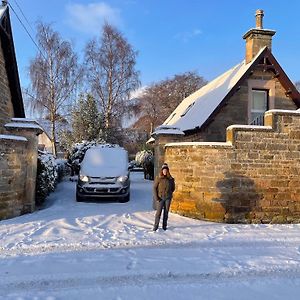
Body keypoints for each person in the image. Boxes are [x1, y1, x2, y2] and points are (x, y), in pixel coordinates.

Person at [153, 163, 175, 231]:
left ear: (168, 171)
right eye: (163, 170)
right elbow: (154, 188)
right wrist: (157, 198)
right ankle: (155, 226)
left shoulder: (171, 179)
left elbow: (173, 188)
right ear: (162, 171)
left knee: (166, 212)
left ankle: (164, 226)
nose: (165, 171)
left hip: (168, 198)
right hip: (160, 198)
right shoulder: (159, 178)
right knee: (158, 213)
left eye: (166, 170)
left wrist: (169, 193)